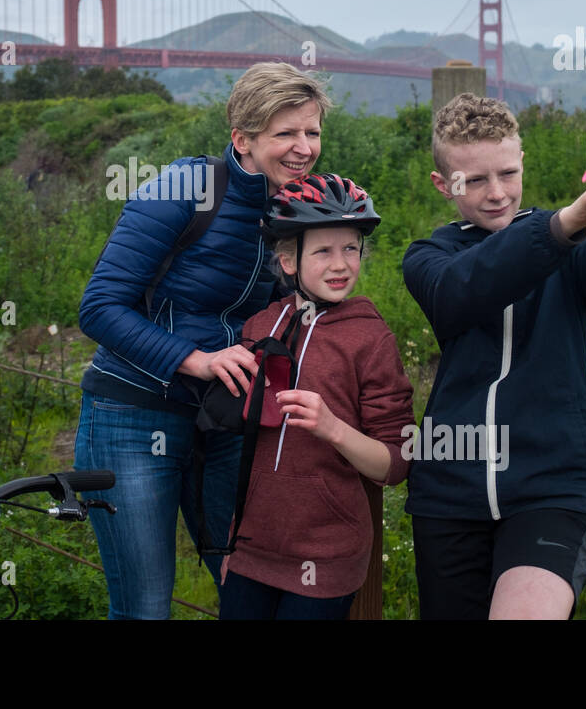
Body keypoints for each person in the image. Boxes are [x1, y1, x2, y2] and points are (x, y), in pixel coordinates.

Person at [402, 93, 586, 619]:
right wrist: (564, 224)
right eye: (473, 180)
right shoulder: (428, 257)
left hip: (550, 490)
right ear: (441, 183)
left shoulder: (571, 250)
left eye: (507, 173)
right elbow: (461, 291)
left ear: (523, 164)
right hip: (448, 495)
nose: (496, 193)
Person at [75, 62, 332, 619]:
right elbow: (98, 308)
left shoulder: (296, 205)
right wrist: (194, 359)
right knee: (146, 606)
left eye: (311, 131)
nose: (303, 147)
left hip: (225, 420)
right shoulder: (186, 188)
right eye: (284, 133)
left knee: (243, 591)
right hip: (133, 413)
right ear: (242, 138)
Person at [219, 173, 415, 620]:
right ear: (288, 260)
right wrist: (232, 541)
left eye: (350, 248)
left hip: (324, 557)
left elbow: (396, 463)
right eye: (323, 251)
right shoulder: (259, 327)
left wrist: (333, 429)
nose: (341, 263)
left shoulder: (371, 339)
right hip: (251, 550)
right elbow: (248, 450)